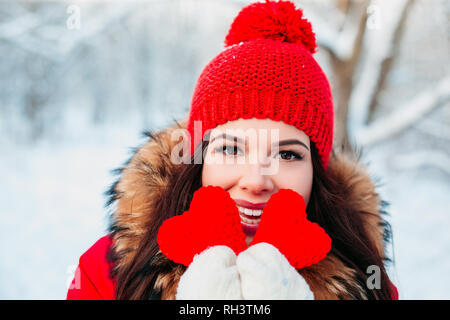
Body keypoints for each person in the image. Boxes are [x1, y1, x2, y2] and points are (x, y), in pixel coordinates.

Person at [67, 0, 398, 300]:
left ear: (316, 170)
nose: (256, 181)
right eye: (231, 150)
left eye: (287, 155)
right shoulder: (107, 272)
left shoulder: (369, 284)